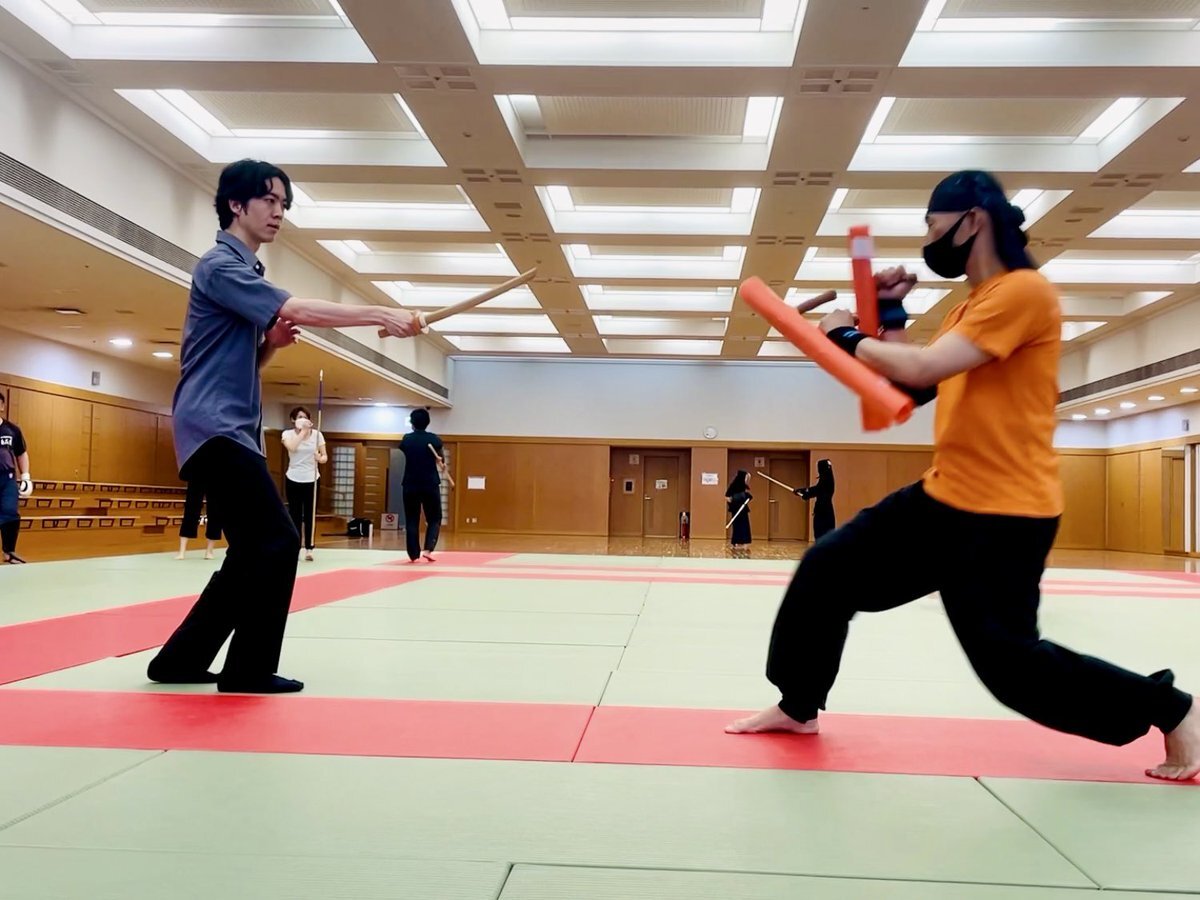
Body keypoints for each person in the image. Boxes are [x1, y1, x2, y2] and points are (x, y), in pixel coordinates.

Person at [727, 169, 1200, 782]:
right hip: (944, 497)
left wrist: (843, 333)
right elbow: (911, 386)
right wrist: (889, 311)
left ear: (971, 219)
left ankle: (1173, 709)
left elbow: (921, 368)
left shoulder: (1024, 292)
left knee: (1011, 669)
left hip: (1005, 514)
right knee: (827, 571)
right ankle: (798, 706)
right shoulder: (969, 307)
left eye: (932, 225)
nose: (928, 240)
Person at [147, 158, 420, 694]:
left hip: (224, 428)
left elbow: (239, 363)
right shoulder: (219, 266)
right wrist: (380, 313)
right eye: (269, 200)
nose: (279, 212)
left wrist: (269, 345)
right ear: (236, 204)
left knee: (252, 548)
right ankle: (247, 670)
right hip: (214, 428)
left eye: (284, 204)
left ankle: (180, 659)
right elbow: (299, 309)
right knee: (277, 539)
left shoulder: (246, 273)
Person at [281, 405, 326, 562]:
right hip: (293, 477)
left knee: (309, 515)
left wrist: (320, 458)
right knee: (294, 514)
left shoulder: (318, 435)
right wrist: (303, 432)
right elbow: (292, 448)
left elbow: (324, 456)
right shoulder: (287, 434)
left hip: (312, 478)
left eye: (305, 417)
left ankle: (309, 548)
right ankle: (295, 547)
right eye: (299, 417)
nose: (303, 419)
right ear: (293, 420)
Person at [399, 408, 444, 563]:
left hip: (410, 484)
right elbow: (440, 458)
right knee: (434, 518)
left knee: (412, 519)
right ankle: (428, 549)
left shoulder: (407, 439)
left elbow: (405, 449)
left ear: (412, 423)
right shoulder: (434, 439)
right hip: (430, 483)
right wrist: (441, 462)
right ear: (428, 422)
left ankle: (413, 554)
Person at [0, 391, 32, 564]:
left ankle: (9, 552)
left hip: (8, 479)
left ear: (2, 406)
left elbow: (21, 453)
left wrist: (25, 476)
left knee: (10, 513)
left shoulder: (12, 430)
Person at [177, 478, 220, 560]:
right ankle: (181, 551)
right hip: (196, 476)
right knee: (190, 511)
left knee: (215, 513)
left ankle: (209, 551)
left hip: (215, 477)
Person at [795, 458, 836, 540]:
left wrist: (805, 493)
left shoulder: (827, 479)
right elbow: (816, 490)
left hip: (823, 512)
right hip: (824, 511)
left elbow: (817, 490)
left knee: (821, 534)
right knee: (822, 535)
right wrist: (804, 491)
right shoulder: (826, 478)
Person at [725, 469, 753, 555]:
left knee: (744, 526)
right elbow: (727, 497)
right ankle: (736, 542)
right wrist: (734, 502)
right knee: (737, 526)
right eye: (745, 478)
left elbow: (748, 496)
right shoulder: (733, 486)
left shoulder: (744, 486)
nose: (747, 479)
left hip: (743, 509)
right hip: (736, 509)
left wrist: (746, 497)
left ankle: (745, 542)